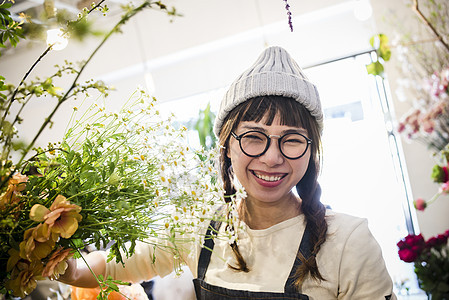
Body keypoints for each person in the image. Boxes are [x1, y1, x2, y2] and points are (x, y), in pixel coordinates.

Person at [59, 46, 397, 299]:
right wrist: (59, 264)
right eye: (253, 137)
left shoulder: (350, 241)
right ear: (227, 145)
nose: (272, 157)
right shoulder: (199, 227)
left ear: (311, 149)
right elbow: (113, 268)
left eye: (291, 140)